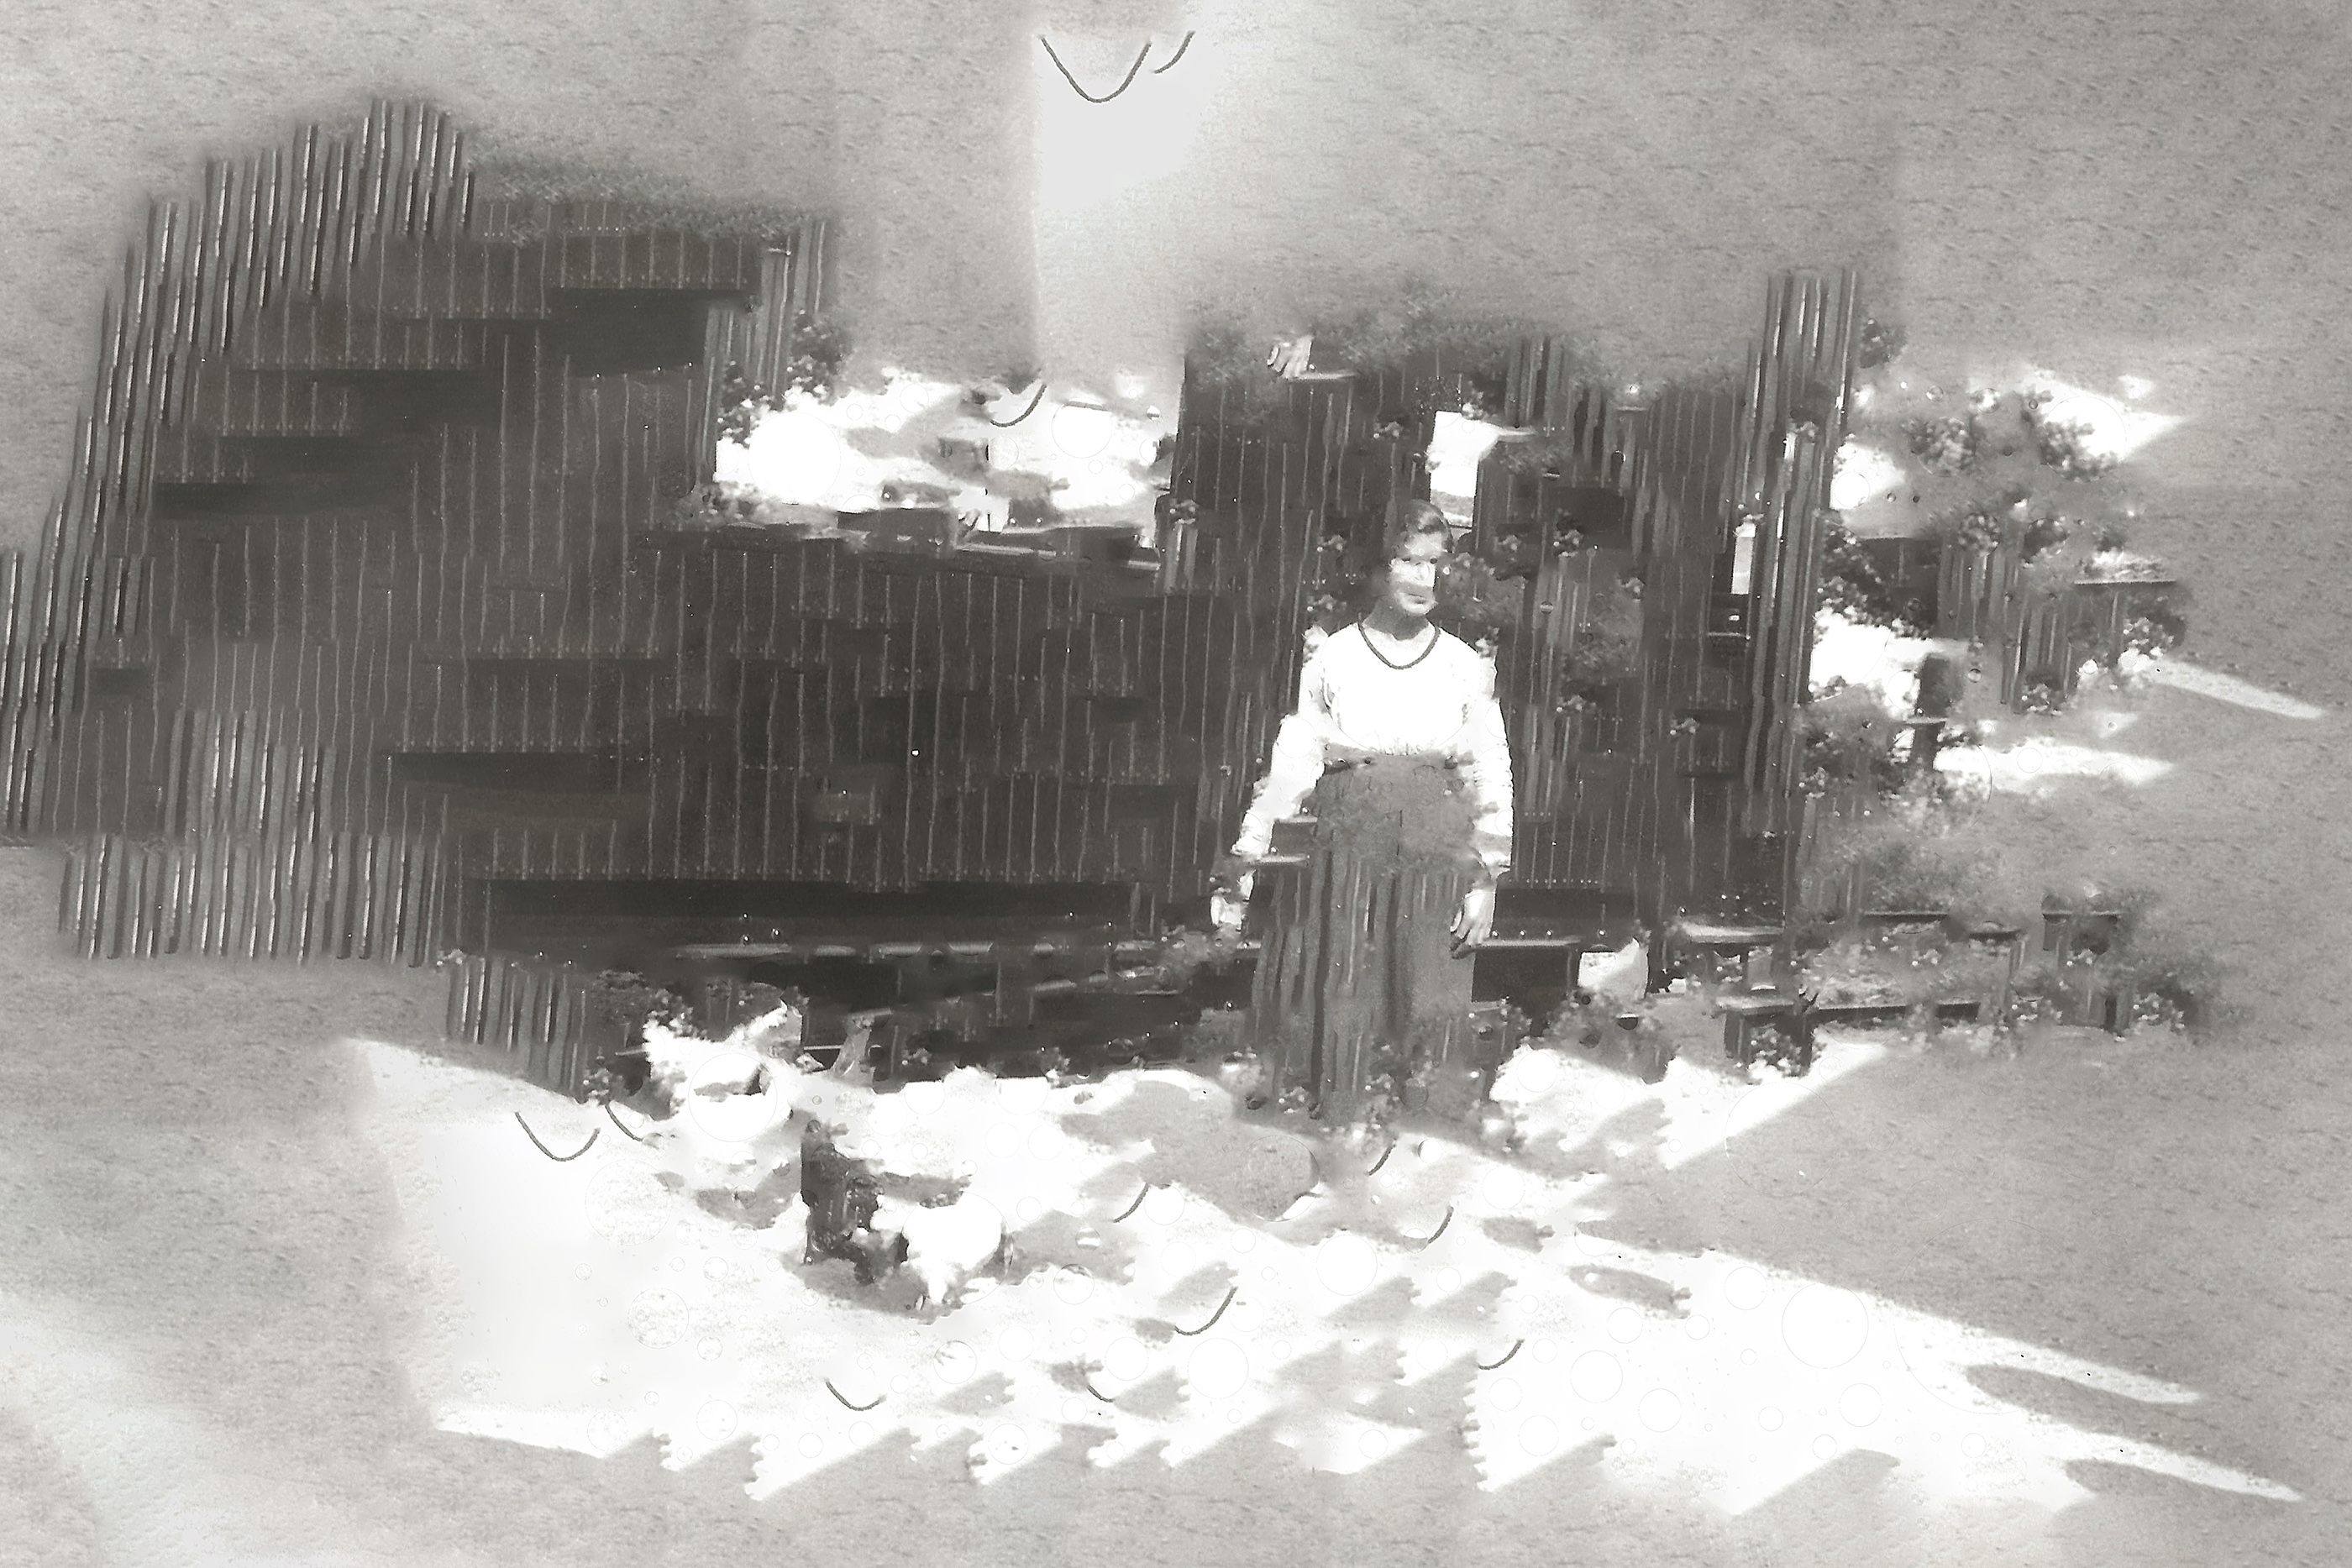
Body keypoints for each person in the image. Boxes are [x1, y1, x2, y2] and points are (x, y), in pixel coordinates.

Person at [1213, 501, 1515, 1122]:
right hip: (1347, 846)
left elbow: (1490, 771)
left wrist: (1486, 878)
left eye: (1435, 563)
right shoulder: (1335, 658)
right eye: (1408, 561)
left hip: (1434, 847)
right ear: (1377, 570)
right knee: (1343, 988)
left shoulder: (1463, 666)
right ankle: (1343, 1126)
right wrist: (1250, 852)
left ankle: (1421, 1134)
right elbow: (1294, 759)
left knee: (1428, 996)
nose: (1424, 578)